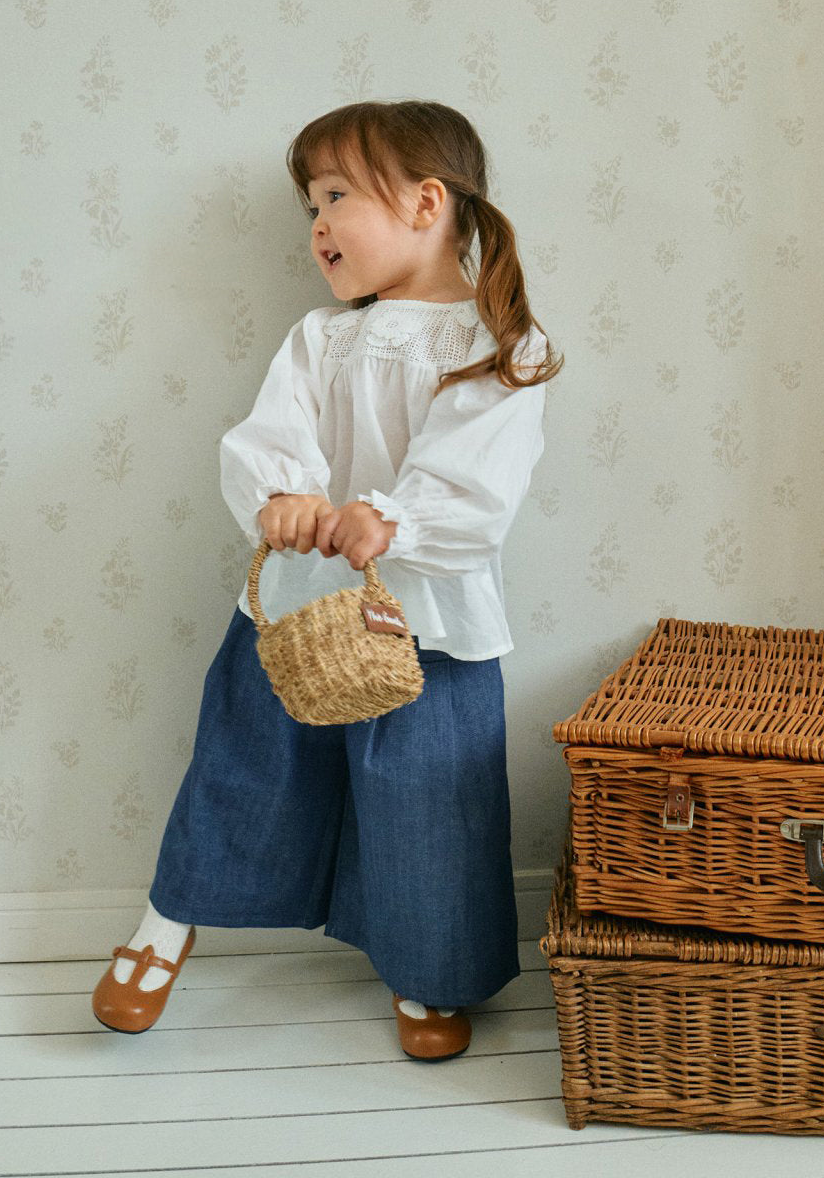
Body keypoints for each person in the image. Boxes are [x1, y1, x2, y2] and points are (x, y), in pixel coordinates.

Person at [91, 99, 563, 1060]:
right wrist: (288, 497)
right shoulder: (320, 341)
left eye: (337, 196)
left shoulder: (504, 345)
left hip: (429, 624)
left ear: (427, 203)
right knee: (243, 766)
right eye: (311, 202)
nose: (316, 224)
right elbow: (274, 435)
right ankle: (164, 926)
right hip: (300, 609)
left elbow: (479, 476)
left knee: (428, 793)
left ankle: (427, 973)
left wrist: (394, 519)